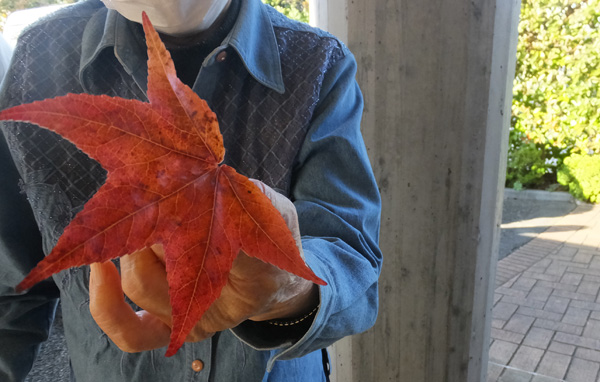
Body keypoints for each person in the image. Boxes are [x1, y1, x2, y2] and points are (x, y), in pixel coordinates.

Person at [0, 0, 382, 380]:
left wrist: (290, 289)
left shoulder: (318, 62)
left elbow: (354, 264)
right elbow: (11, 286)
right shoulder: (39, 58)